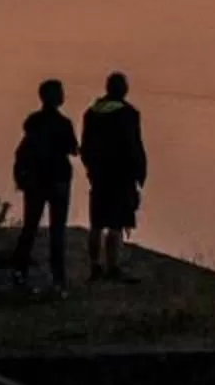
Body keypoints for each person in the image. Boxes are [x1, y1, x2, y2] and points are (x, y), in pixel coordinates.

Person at [8, 78, 78, 291]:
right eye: (61, 92)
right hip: (58, 181)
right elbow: (73, 148)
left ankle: (20, 271)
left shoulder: (33, 122)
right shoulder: (64, 124)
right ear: (57, 98)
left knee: (30, 227)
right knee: (57, 231)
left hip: (35, 182)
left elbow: (23, 149)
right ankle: (58, 278)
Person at [80, 71, 148, 281]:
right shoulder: (128, 114)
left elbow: (86, 148)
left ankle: (95, 266)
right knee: (116, 224)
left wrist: (91, 169)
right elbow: (134, 146)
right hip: (121, 176)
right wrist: (140, 173)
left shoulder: (91, 113)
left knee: (97, 223)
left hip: (99, 176)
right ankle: (113, 267)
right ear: (124, 90)